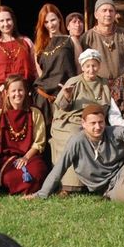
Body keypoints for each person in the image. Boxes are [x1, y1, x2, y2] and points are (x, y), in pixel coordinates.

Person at [29, 104, 124, 203]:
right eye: (93, 123)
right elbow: (59, 169)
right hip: (111, 188)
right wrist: (41, 194)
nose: (98, 127)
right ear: (83, 124)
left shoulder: (112, 132)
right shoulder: (76, 141)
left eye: (100, 122)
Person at [51, 48, 111, 194]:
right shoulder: (74, 82)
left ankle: (97, 184)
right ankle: (68, 186)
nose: (91, 69)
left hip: (96, 122)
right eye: (88, 66)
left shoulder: (104, 83)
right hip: (71, 120)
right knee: (76, 137)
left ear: (99, 66)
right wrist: (67, 96)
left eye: (94, 65)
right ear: (82, 67)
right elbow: (62, 107)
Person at [0, 75, 48, 195]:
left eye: (20, 90)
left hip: (30, 157)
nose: (17, 94)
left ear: (25, 92)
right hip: (7, 159)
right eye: (13, 91)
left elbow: (39, 142)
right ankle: (25, 188)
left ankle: (25, 188)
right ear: (6, 93)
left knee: (38, 171)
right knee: (10, 177)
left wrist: (26, 158)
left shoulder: (35, 113)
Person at [0, 5, 35, 113]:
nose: (6, 24)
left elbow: (35, 68)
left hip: (23, 94)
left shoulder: (26, 42)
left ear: (13, 20)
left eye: (8, 19)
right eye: (1, 21)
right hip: (0, 95)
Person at [33, 3, 79, 124]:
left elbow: (79, 69)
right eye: (46, 22)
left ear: (59, 19)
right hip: (44, 98)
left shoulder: (71, 40)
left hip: (66, 95)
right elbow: (42, 75)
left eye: (53, 20)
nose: (50, 24)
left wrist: (72, 92)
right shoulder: (38, 47)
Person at [80, 0, 124, 82]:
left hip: (122, 83)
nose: (108, 14)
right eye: (104, 10)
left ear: (115, 14)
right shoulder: (87, 37)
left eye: (111, 11)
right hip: (97, 84)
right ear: (96, 15)